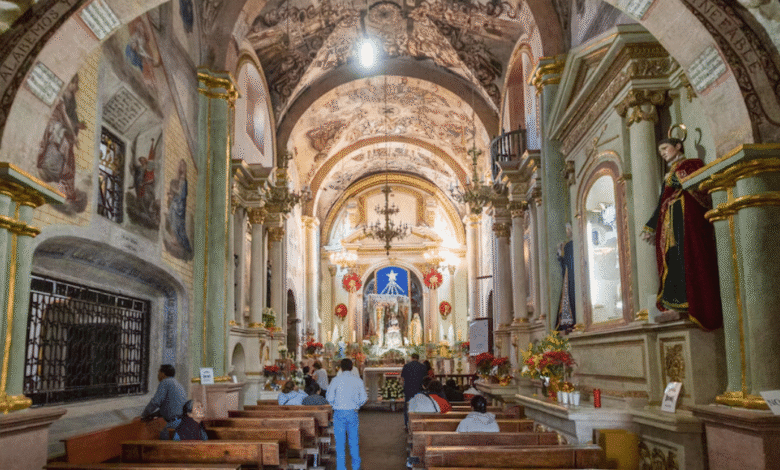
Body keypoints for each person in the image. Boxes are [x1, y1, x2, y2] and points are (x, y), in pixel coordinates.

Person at [640, 137, 723, 330]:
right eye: (660, 151)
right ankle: (674, 306)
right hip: (670, 226)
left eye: (665, 148)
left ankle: (690, 306)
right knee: (674, 263)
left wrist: (675, 175)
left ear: (678, 146)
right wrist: (651, 226)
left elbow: (695, 185)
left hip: (687, 222)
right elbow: (662, 201)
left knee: (689, 260)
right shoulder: (670, 173)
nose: (662, 153)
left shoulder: (691, 164)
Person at [326, 358, 367, 470]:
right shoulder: (357, 380)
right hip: (352, 412)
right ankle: (356, 466)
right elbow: (364, 398)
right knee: (354, 440)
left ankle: (341, 467)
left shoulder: (335, 380)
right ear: (352, 367)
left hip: (339, 412)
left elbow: (329, 397)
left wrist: (335, 404)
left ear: (341, 368)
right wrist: (357, 405)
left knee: (340, 442)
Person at [141, 364, 188, 440]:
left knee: (162, 441)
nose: (158, 375)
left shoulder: (165, 382)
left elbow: (155, 402)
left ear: (163, 373)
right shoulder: (178, 385)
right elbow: (169, 407)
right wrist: (153, 415)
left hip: (174, 424)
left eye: (159, 372)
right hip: (183, 422)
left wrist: (144, 415)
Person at [400, 352, 428, 430]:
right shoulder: (423, 366)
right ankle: (418, 424)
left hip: (408, 388)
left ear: (411, 358)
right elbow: (425, 379)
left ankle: (407, 424)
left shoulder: (406, 366)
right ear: (418, 358)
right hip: (419, 389)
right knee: (418, 406)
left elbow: (402, 379)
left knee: (407, 406)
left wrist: (404, 386)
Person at [556, 223, 576, 333]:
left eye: (568, 228)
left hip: (573, 277)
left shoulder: (571, 245)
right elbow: (564, 264)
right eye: (566, 229)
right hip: (569, 277)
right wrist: (560, 253)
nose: (567, 231)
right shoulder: (567, 245)